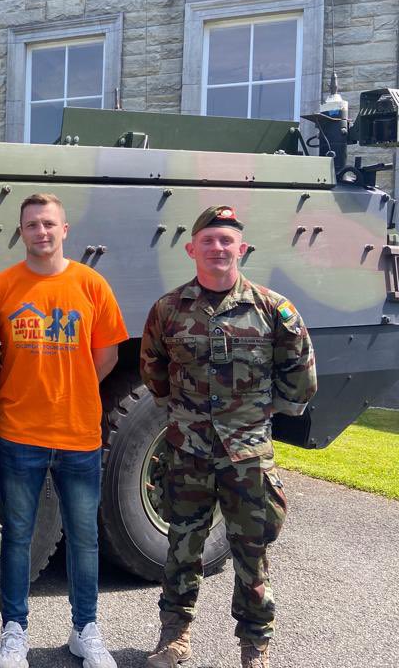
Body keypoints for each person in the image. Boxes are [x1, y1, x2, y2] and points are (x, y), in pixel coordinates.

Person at [139, 206, 316, 668]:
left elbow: (300, 377)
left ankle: (255, 646)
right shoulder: (168, 310)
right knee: (182, 548)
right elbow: (153, 371)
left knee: (251, 553)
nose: (218, 248)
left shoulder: (273, 309)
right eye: (209, 240)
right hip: (187, 453)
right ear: (191, 248)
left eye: (227, 240)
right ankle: (174, 639)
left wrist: (254, 416)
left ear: (242, 248)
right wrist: (186, 414)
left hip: (248, 457)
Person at [0, 193, 127, 668]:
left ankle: (85, 629)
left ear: (65, 230)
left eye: (49, 224)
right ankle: (14, 630)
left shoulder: (91, 285)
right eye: (31, 225)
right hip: (19, 433)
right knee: (18, 537)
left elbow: (107, 355)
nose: (40, 232)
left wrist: (74, 387)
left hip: (78, 435)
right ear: (20, 233)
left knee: (84, 539)